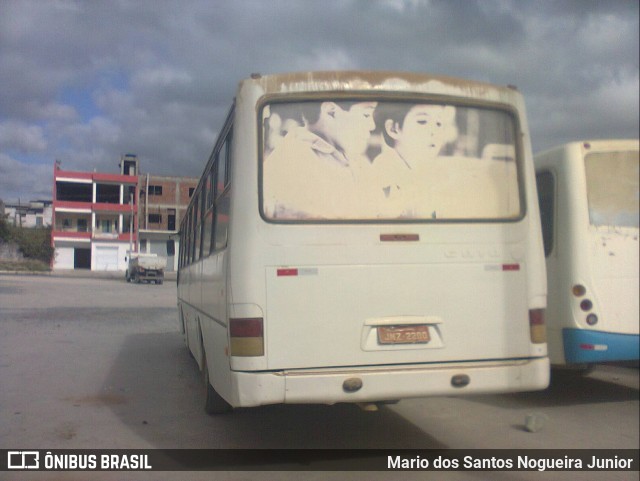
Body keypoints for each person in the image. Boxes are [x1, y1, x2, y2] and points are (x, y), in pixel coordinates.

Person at [263, 101, 377, 219]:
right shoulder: (293, 163)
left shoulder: (352, 160)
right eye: (366, 115)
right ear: (330, 112)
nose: (372, 125)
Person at [371, 103, 457, 218]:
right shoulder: (380, 175)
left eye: (438, 123)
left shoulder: (434, 175)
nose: (434, 131)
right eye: (422, 121)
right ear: (393, 129)